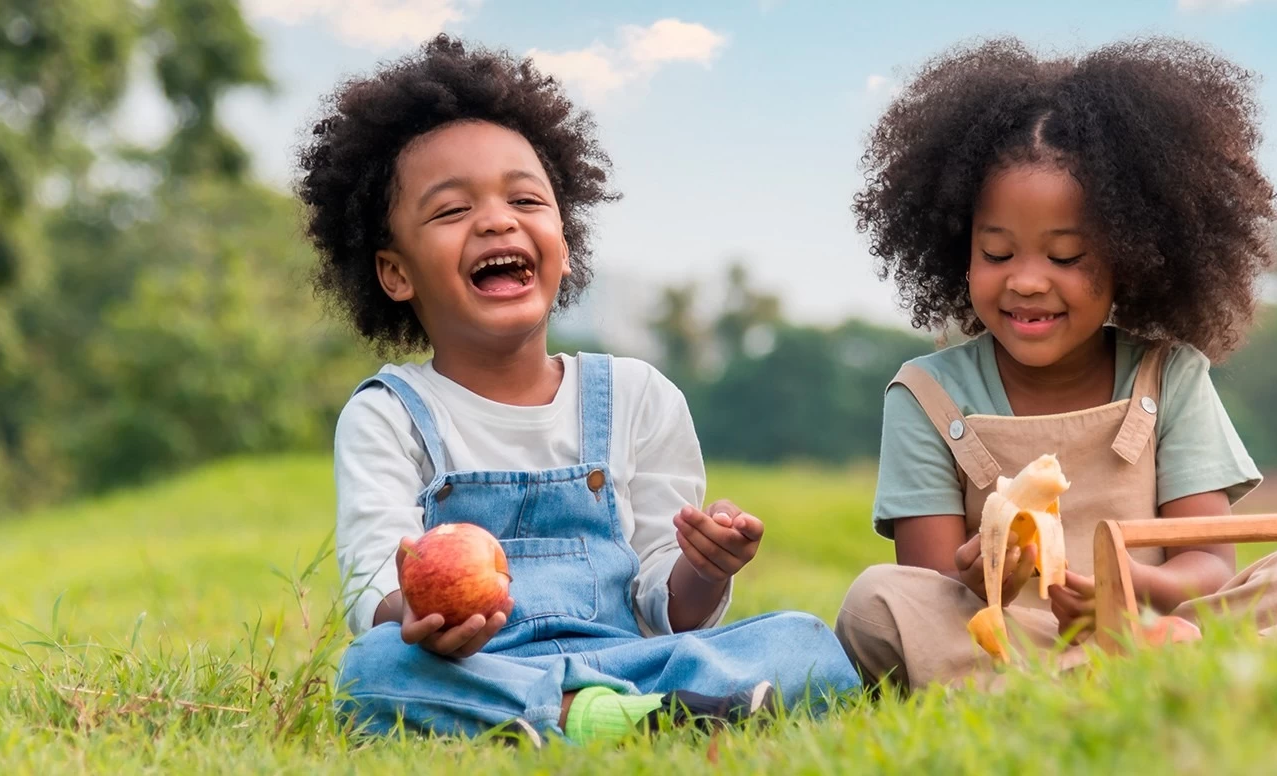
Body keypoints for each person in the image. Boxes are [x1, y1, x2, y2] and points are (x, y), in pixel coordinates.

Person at [296, 35, 861, 744]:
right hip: (482, 665)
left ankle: (595, 715)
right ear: (395, 272)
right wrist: (417, 619)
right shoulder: (391, 415)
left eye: (526, 199)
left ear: (564, 241)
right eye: (449, 211)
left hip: (636, 658)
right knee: (374, 668)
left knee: (806, 641)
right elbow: (373, 585)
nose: (498, 220)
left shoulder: (638, 395)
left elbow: (667, 611)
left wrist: (702, 568)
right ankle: (599, 717)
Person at [833, 36, 1277, 692]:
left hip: (1157, 617)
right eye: (997, 254)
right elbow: (929, 589)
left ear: (1133, 255)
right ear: (958, 250)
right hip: (1012, 636)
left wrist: (1127, 589)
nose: (1025, 282)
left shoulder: (1169, 376)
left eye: (1066, 257)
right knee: (877, 602)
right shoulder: (927, 394)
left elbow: (1210, 566)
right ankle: (1184, 676)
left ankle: (1118, 673)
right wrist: (981, 568)